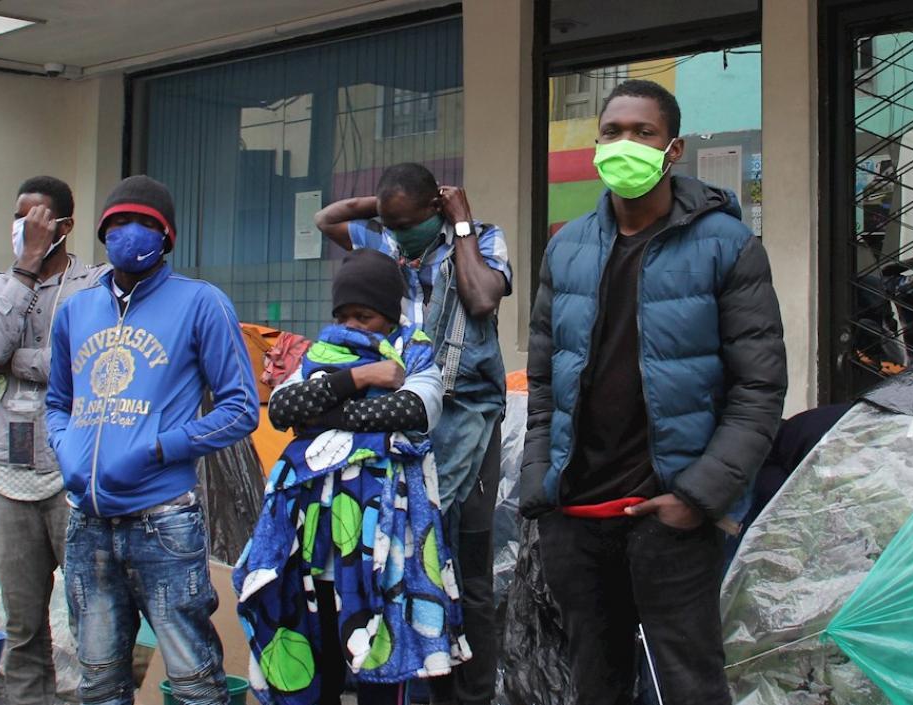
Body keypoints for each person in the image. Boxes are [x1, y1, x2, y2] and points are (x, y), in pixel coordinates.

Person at [520, 79, 787, 705]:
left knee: (690, 682)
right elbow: (541, 381)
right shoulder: (567, 248)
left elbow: (760, 387)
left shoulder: (728, 247)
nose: (626, 144)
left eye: (643, 132)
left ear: (674, 148)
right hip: (578, 518)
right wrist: (541, 483)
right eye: (613, 132)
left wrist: (696, 498)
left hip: (669, 518)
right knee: (598, 684)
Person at [45, 175, 259, 705]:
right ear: (102, 232)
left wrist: (162, 447)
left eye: (144, 223)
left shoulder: (201, 303)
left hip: (163, 522)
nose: (129, 233)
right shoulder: (75, 311)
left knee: (193, 681)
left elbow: (240, 410)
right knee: (98, 680)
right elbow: (56, 402)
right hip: (87, 525)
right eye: (118, 223)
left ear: (167, 236)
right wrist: (66, 447)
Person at [234, 248, 470, 705]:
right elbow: (283, 408)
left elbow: (414, 409)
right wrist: (361, 377)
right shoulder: (317, 354)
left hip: (384, 548)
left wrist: (322, 414)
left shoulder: (414, 354)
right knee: (318, 662)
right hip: (315, 547)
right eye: (344, 316)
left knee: (382, 671)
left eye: (365, 316)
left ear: (388, 314)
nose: (353, 327)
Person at [314, 164, 510, 705]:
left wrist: (463, 222)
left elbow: (483, 299)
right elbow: (325, 217)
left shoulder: (483, 238)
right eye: (390, 222)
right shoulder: (384, 238)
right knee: (409, 553)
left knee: (465, 567)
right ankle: (418, 681)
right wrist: (381, 209)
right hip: (397, 415)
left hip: (467, 415)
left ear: (436, 207)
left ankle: (469, 697)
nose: (399, 233)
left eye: (408, 221)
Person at [0, 176, 106, 705]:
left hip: (73, 470)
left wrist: (11, 363)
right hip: (8, 471)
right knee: (23, 625)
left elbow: (86, 365)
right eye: (19, 217)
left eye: (39, 220)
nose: (25, 228)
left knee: (92, 616)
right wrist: (25, 268)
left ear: (65, 227)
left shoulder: (92, 286)